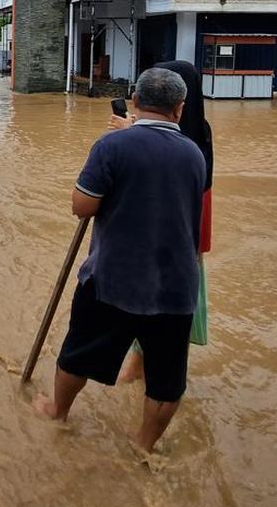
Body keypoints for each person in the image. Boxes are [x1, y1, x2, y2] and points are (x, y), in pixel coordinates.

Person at [33, 68, 206, 454]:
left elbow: (82, 206)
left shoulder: (112, 147)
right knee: (166, 377)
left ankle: (58, 412)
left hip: (114, 277)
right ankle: (144, 445)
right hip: (176, 286)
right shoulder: (194, 153)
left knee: (78, 354)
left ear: (134, 103)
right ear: (180, 109)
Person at [111, 60, 214, 385]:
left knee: (151, 312)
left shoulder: (189, 146)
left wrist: (132, 135)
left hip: (163, 242)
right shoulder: (199, 136)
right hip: (183, 242)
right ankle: (144, 371)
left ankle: (142, 373)